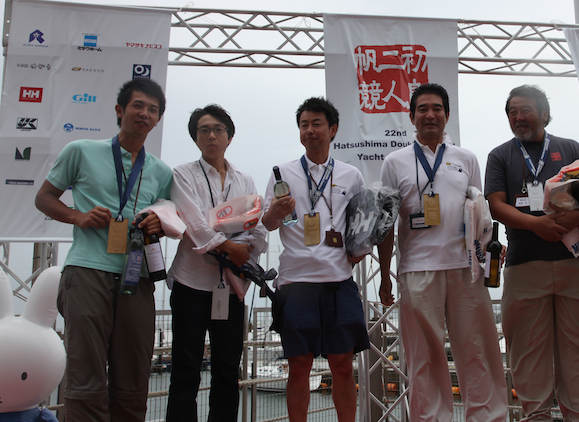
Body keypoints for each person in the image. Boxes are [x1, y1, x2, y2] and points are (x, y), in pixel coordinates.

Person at [34, 78, 173, 422]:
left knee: (134, 375)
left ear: (158, 119)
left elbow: (166, 218)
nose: (144, 113)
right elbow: (44, 198)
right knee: (85, 372)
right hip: (87, 271)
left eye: (153, 109)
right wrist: (77, 216)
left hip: (137, 277)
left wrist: (157, 223)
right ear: (119, 110)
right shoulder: (81, 150)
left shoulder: (161, 172)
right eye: (138, 105)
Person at [378, 83, 508, 422]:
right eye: (422, 109)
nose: (430, 115)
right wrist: (385, 276)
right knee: (424, 356)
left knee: (477, 350)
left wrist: (488, 254)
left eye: (437, 108)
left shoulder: (466, 158)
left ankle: (487, 417)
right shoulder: (394, 162)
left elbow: (480, 214)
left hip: (467, 268)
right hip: (417, 269)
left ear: (447, 115)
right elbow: (387, 223)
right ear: (412, 117)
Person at [484, 84, 579, 422]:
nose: (518, 117)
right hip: (524, 265)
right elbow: (495, 205)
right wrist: (535, 225)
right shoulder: (500, 155)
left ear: (545, 114)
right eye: (512, 112)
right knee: (526, 348)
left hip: (575, 262)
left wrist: (578, 217)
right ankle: (536, 415)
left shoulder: (571, 148)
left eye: (526, 110)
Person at [261, 97, 369, 422]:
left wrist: (360, 250)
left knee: (343, 365)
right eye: (304, 125)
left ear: (333, 129)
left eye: (316, 124)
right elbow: (267, 223)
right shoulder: (282, 173)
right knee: (299, 366)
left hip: (339, 280)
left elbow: (361, 224)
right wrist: (274, 212)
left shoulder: (351, 175)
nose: (309, 130)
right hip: (295, 282)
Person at [165, 104, 267, 421]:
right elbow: (194, 226)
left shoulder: (244, 180)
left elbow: (258, 229)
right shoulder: (183, 175)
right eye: (204, 130)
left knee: (227, 371)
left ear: (229, 137)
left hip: (231, 288)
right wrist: (232, 245)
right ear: (195, 137)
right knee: (186, 370)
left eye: (218, 129)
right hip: (191, 284)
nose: (211, 135)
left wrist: (241, 248)